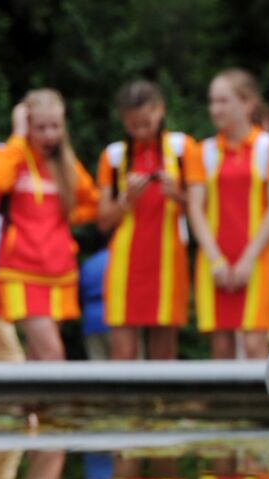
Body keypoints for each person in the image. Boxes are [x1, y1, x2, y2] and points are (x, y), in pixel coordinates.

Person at [0, 89, 98, 362]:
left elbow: (92, 203)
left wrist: (68, 216)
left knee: (39, 358)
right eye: (41, 127)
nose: (49, 135)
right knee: (53, 354)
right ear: (27, 126)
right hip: (21, 270)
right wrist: (18, 135)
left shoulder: (67, 164)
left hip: (59, 272)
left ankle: (31, 407)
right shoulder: (12, 154)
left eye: (55, 127)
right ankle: (51, 406)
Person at [185, 70, 269, 360]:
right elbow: (195, 207)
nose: (215, 109)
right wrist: (216, 259)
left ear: (248, 103)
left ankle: (260, 406)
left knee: (255, 342)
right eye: (212, 101)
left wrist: (247, 260)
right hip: (214, 258)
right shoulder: (201, 151)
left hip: (257, 257)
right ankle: (225, 407)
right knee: (220, 346)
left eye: (223, 101)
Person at [95, 80, 189, 361]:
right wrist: (126, 199)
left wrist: (177, 194)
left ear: (160, 110)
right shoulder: (114, 157)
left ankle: (163, 404)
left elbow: (202, 210)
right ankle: (123, 406)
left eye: (146, 121)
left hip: (168, 259)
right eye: (133, 124)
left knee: (164, 349)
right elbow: (102, 221)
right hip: (125, 262)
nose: (140, 129)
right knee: (122, 349)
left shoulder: (182, 149)